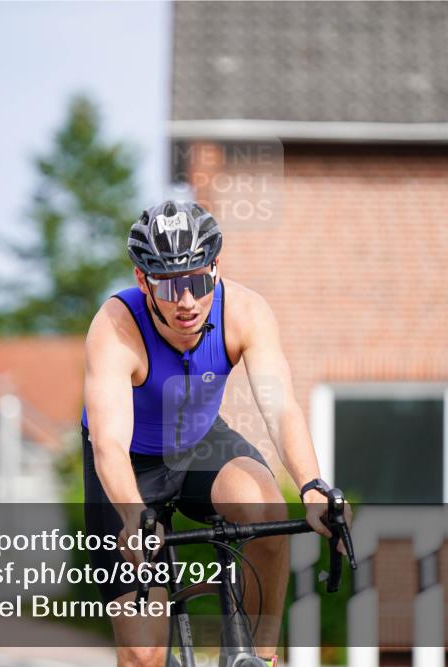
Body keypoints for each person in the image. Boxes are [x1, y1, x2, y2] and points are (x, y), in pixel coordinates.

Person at [81, 200, 350, 667]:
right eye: (169, 284)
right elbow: (108, 442)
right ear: (142, 280)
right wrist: (131, 518)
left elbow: (281, 406)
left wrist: (312, 486)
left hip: (201, 445)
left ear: (215, 268)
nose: (186, 301)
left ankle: (257, 657)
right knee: (143, 654)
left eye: (198, 281)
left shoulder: (245, 311)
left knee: (267, 509)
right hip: (129, 467)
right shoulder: (115, 327)